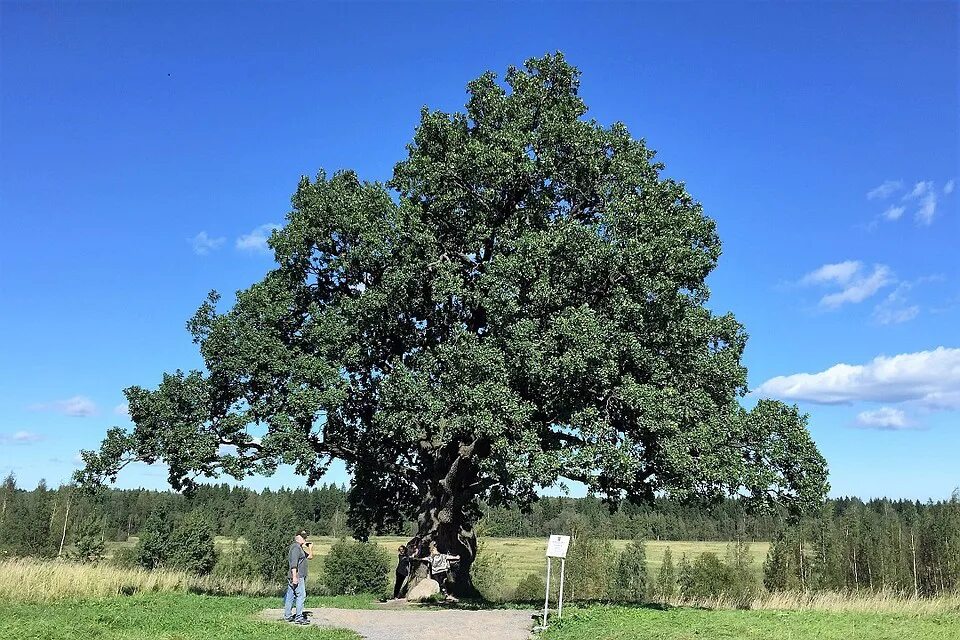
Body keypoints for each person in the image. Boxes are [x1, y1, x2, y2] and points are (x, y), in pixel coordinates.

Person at [283, 529, 313, 624]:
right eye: (303, 537)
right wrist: (295, 577)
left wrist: (310, 548)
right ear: (297, 537)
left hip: (296, 576)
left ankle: (287, 616)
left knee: (290, 595)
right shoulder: (296, 548)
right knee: (301, 595)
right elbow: (294, 564)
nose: (305, 539)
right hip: (297, 576)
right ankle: (299, 617)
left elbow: (310, 557)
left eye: (305, 537)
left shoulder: (300, 548)